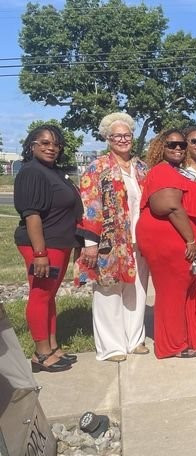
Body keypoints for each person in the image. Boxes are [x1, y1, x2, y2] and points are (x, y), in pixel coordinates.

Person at [136, 129, 196, 358]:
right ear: (161, 147)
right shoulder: (162, 172)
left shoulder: (179, 172)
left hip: (191, 234)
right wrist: (190, 239)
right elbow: (170, 206)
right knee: (172, 291)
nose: (178, 149)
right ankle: (173, 345)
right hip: (170, 238)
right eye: (172, 145)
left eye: (182, 145)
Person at [75, 112, 150, 362]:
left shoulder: (141, 167)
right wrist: (90, 243)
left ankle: (134, 338)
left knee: (137, 290)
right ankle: (112, 346)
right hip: (109, 240)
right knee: (108, 290)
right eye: (117, 135)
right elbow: (89, 205)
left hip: (140, 240)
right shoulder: (97, 167)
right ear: (108, 138)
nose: (123, 139)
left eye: (127, 135)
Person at [14, 124, 83, 372]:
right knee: (40, 295)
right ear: (31, 145)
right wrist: (40, 253)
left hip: (59, 243)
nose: (50, 147)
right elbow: (31, 214)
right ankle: (40, 353)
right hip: (43, 245)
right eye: (44, 143)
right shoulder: (32, 172)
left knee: (49, 296)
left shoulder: (53, 171)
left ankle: (52, 346)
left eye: (55, 144)